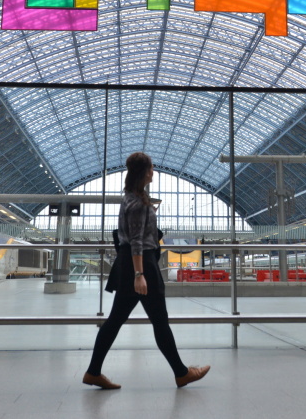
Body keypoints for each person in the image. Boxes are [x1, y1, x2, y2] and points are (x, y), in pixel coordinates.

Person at [83, 152, 210, 390]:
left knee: (115, 321)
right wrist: (139, 275)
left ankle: (93, 372)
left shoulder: (132, 198)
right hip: (141, 267)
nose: (154, 171)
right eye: (151, 168)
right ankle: (182, 373)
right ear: (144, 171)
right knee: (159, 321)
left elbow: (135, 236)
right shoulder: (138, 204)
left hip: (131, 265)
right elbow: (137, 242)